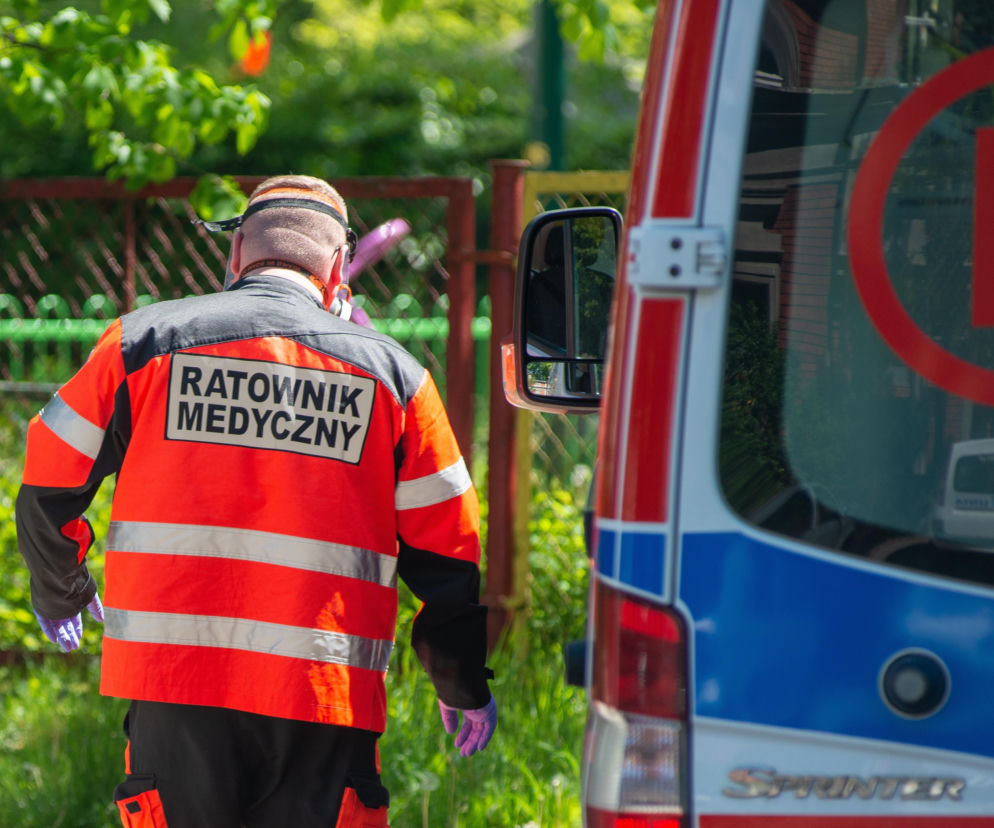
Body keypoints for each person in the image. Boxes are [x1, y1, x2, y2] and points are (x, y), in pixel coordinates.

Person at [15, 174, 497, 828]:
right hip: (322, 696)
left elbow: (48, 475)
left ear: (236, 253)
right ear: (336, 269)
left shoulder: (139, 345)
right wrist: (458, 678)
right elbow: (449, 548)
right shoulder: (394, 377)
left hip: (173, 684)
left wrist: (61, 587)